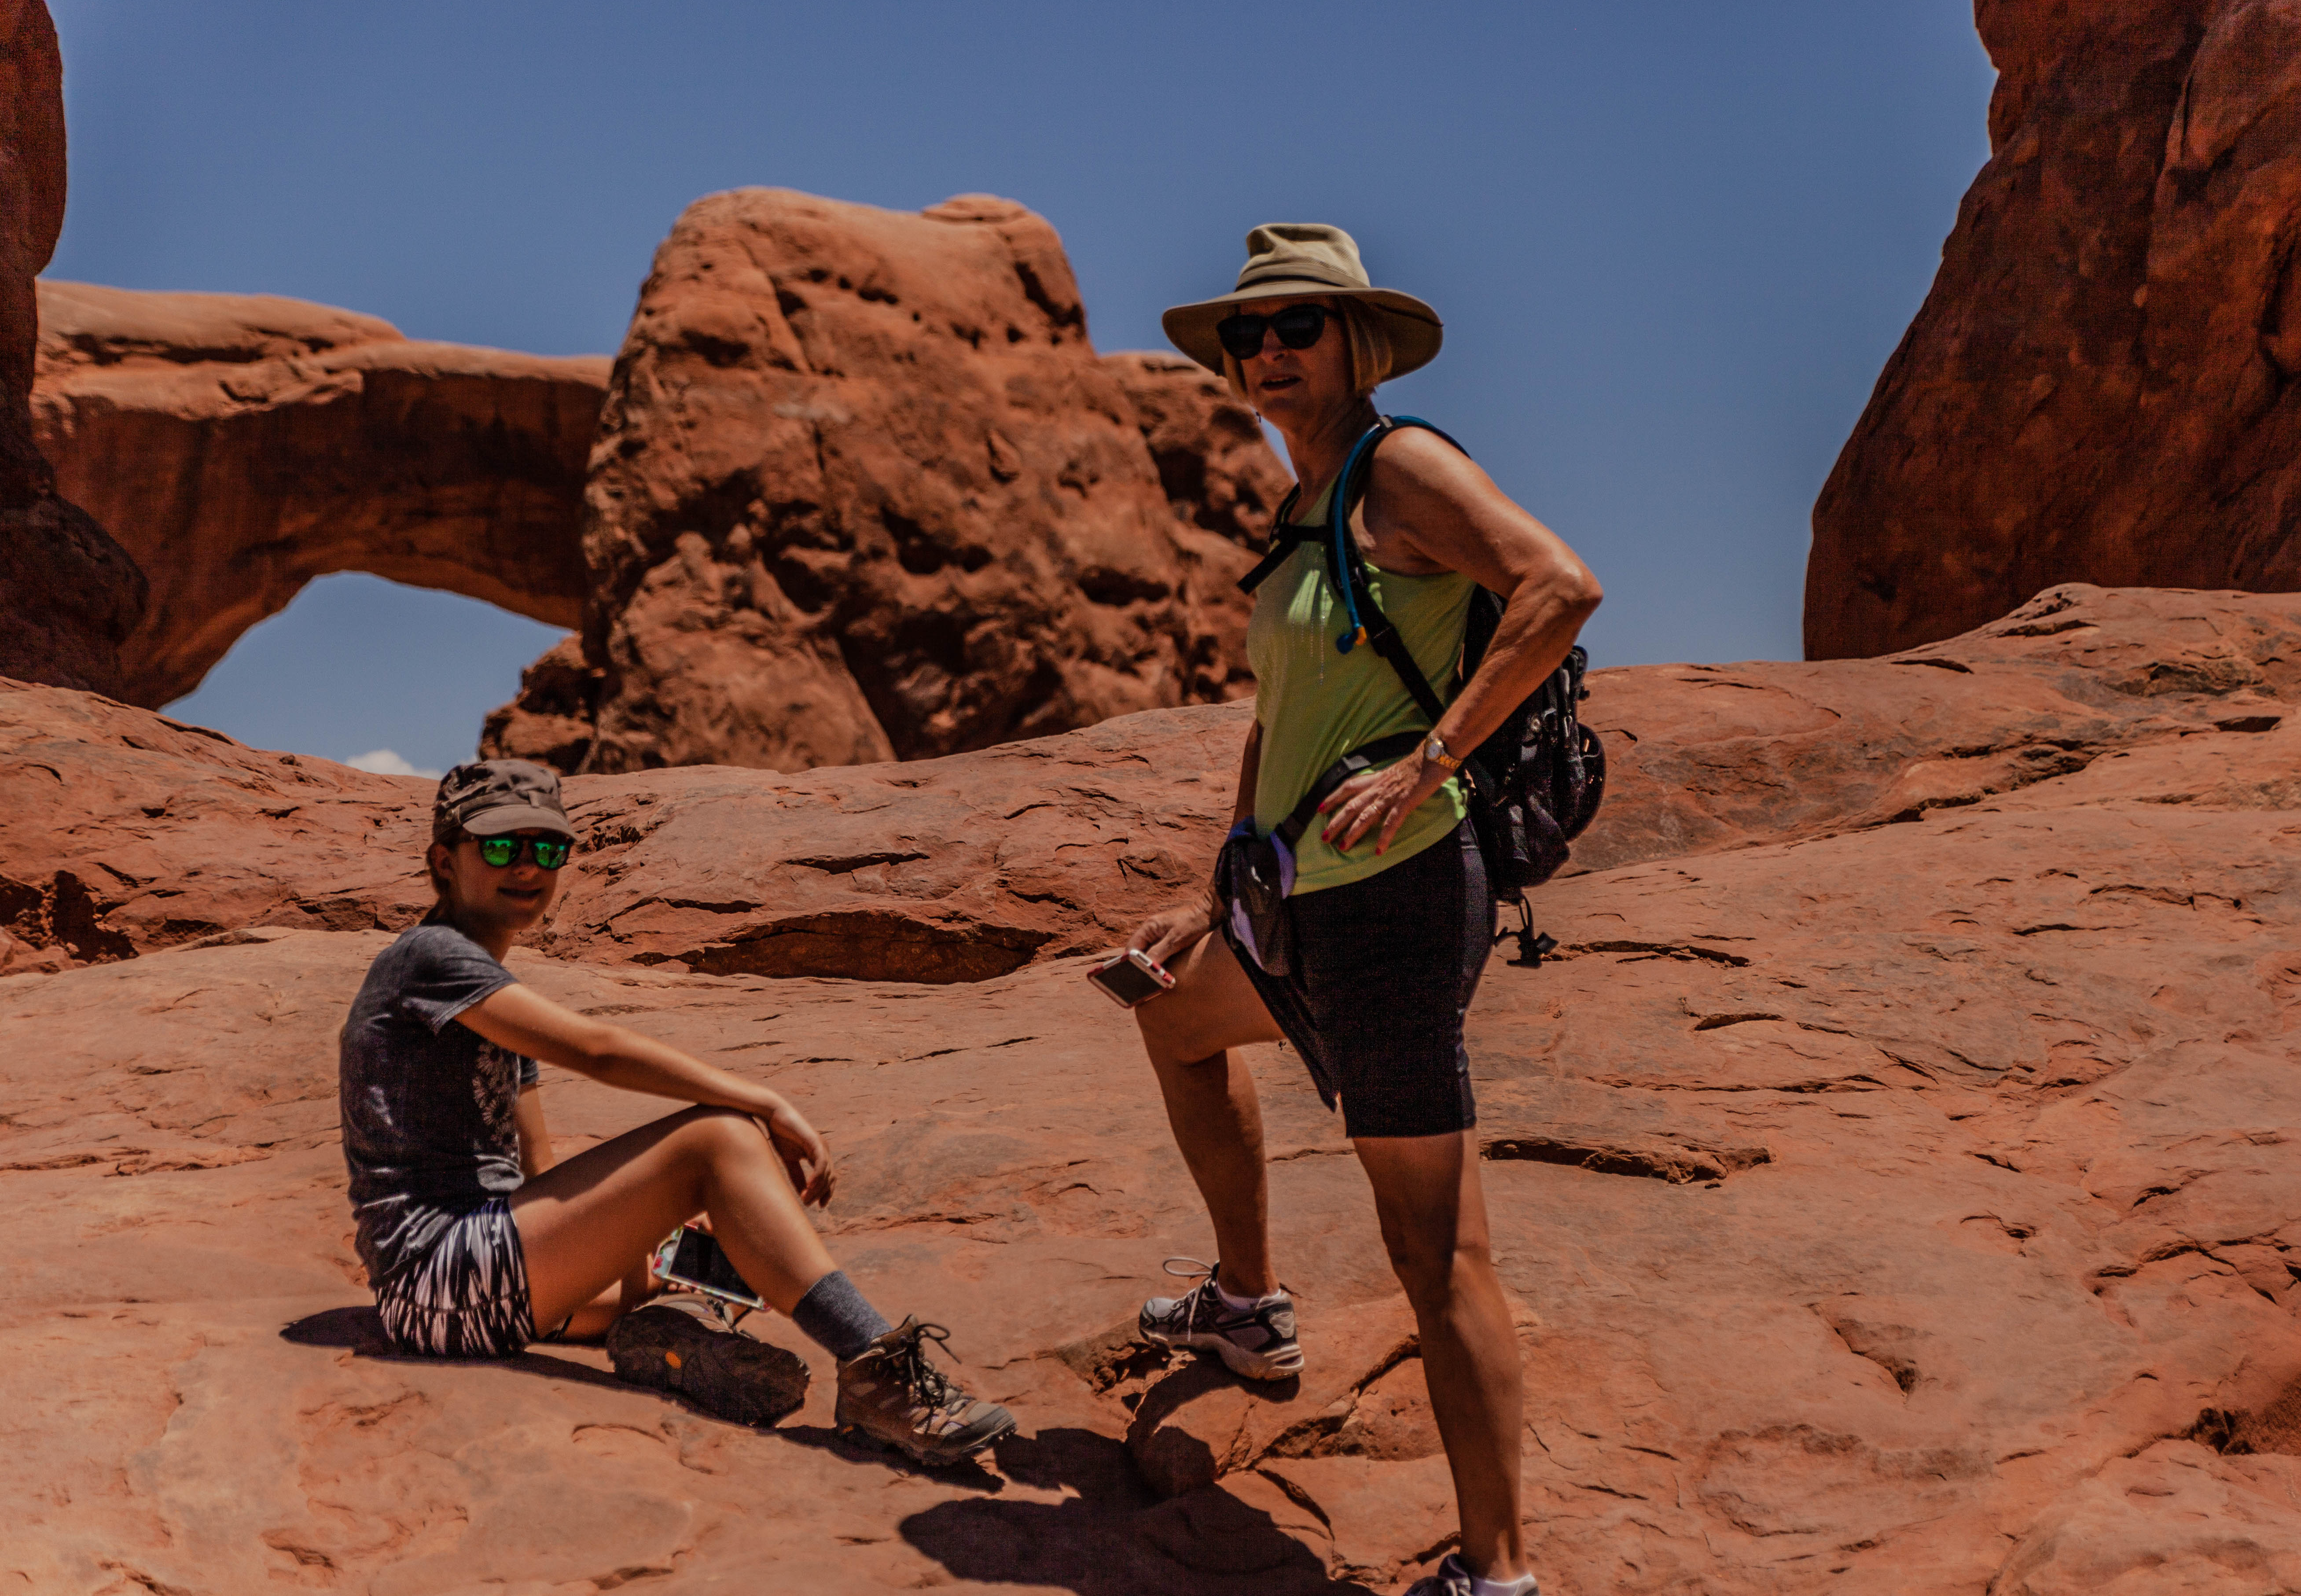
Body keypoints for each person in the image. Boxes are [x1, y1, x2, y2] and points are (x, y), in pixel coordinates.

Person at [1125, 225, 1601, 1596]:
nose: (1266, 351)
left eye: (1297, 326)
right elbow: (1281, 707)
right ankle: (1245, 1306)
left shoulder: (1399, 465)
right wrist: (1223, 870)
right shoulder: (1310, 501)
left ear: (1357, 343)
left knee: (1435, 1250)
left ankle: (1497, 1571)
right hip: (1296, 896)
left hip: (1391, 900)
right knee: (1172, 1016)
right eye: (1247, 333)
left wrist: (1429, 761)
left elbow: (1559, 584)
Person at [337, 758, 1014, 1465]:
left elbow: (539, 1173)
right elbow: (598, 1052)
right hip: (438, 1279)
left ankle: (673, 1327)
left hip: (497, 1275)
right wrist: (762, 1100)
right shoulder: (430, 957)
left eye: (548, 847)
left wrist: (634, 1246)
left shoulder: (490, 995)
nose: (529, 865)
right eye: (502, 846)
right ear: (444, 861)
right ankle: (876, 1373)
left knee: (747, 1225)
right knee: (719, 1142)